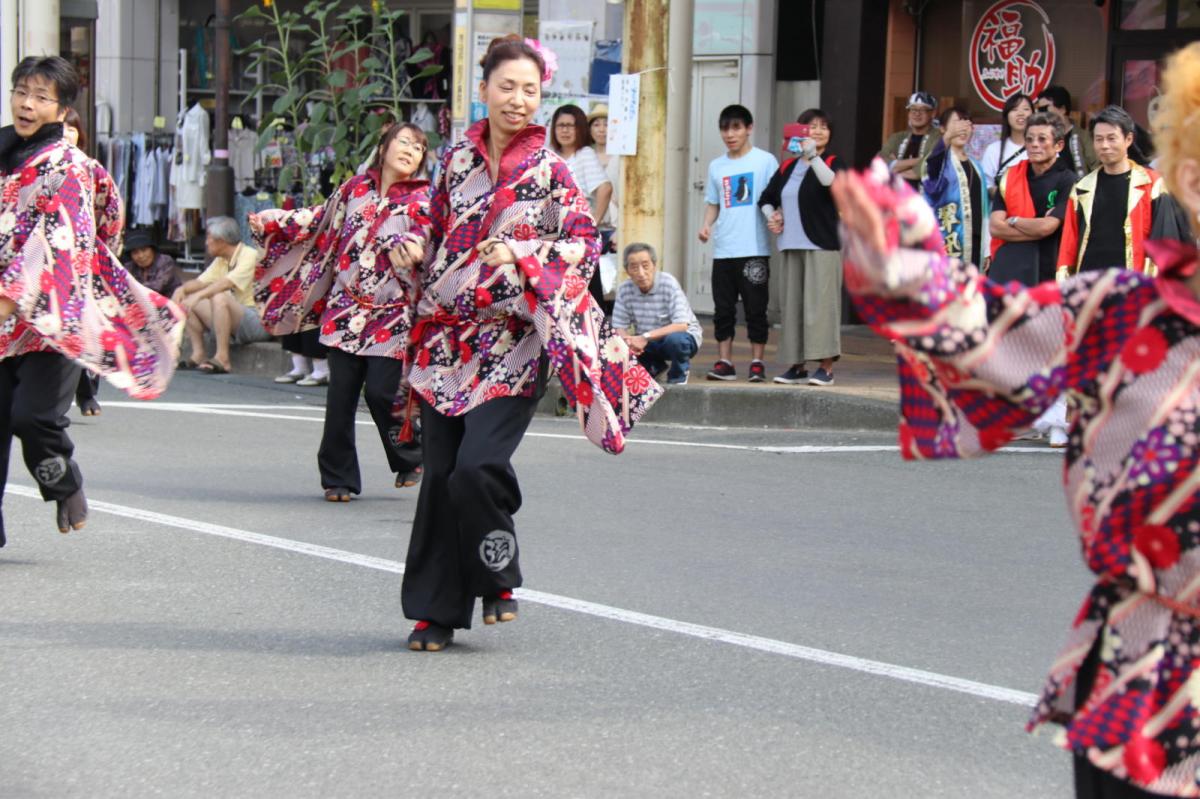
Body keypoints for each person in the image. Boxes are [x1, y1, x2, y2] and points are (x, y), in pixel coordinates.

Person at [832, 41, 1200, 798]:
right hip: (1144, 679)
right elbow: (981, 329)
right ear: (1190, 178)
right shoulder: (1124, 312)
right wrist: (902, 258)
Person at [388, 35, 662, 651]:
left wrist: (522, 251)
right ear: (483, 89)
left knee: (477, 467)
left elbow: (585, 245)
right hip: (446, 342)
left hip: (513, 344)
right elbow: (432, 226)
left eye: (530, 90)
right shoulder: (456, 160)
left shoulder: (551, 171)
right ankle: (435, 613)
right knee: (439, 478)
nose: (518, 99)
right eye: (507, 86)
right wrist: (411, 249)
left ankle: (497, 573)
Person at [0, 56, 183, 544]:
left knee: (32, 418)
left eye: (41, 97)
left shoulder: (70, 167)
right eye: (21, 92)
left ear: (62, 110)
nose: (27, 104)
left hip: (54, 319)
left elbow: (67, 241)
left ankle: (65, 484)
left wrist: (11, 296)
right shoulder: (1, 153)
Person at [253, 123, 430, 501]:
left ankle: (409, 456)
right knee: (340, 398)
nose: (409, 151)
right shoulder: (354, 190)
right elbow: (319, 220)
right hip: (346, 309)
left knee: (383, 393)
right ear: (383, 147)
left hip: (393, 314)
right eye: (403, 142)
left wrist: (414, 247)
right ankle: (338, 478)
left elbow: (427, 237)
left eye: (417, 148)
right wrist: (274, 220)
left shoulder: (423, 200)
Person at [757, 108, 846, 386]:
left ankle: (826, 368)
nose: (817, 131)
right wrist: (773, 215)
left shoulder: (832, 162)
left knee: (821, 308)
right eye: (811, 126)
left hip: (822, 245)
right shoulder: (787, 167)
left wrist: (813, 156)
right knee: (793, 307)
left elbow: (831, 184)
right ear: (800, 131)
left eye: (823, 127)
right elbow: (766, 198)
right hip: (791, 245)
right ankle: (797, 366)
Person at [1057, 105, 1186, 278]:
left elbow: (1164, 243)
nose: (1104, 145)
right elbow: (1069, 246)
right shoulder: (1082, 188)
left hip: (1133, 283)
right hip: (1089, 282)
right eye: (1099, 139)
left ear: (1128, 139)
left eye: (1111, 138)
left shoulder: (1152, 184)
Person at [699, 104, 779, 382]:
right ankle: (725, 362)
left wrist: (777, 217)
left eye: (736, 128)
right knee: (723, 309)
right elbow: (714, 202)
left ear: (749, 128)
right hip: (724, 249)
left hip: (754, 248)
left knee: (756, 308)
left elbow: (775, 197)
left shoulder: (765, 161)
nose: (730, 134)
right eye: (724, 129)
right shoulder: (716, 166)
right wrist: (706, 225)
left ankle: (757, 362)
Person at [172, 216, 268, 374]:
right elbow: (200, 282)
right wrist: (182, 290)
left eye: (209, 238)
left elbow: (227, 283)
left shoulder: (250, 255)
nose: (206, 242)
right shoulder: (221, 260)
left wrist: (199, 296)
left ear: (221, 240)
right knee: (187, 300)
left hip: (257, 320)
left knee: (219, 297)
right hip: (236, 317)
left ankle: (223, 358)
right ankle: (198, 353)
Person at [549, 103, 613, 309]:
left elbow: (605, 188)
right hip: (553, 234)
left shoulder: (584, 154)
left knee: (586, 294)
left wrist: (593, 223)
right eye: (561, 126)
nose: (565, 131)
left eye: (571, 126)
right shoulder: (550, 155)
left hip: (578, 235)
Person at [612, 242, 702, 385]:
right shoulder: (624, 289)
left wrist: (644, 337)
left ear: (654, 266)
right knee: (617, 345)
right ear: (627, 271)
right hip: (647, 341)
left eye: (645, 266)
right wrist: (628, 342)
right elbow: (619, 326)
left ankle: (678, 376)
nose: (641, 273)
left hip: (680, 337)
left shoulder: (668, 283)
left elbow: (681, 325)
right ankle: (655, 367)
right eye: (634, 267)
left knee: (676, 341)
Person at [922, 106, 990, 268]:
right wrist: (947, 137)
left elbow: (985, 209)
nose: (962, 129)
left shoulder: (976, 166)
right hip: (948, 239)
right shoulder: (938, 161)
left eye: (966, 124)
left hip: (976, 241)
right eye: (956, 123)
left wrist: (987, 248)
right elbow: (932, 167)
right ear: (942, 128)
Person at [1036, 85, 1099, 179]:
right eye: (1039, 110)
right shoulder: (1040, 140)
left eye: (1045, 109)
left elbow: (1097, 168)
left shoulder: (1083, 137)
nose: (1042, 114)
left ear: (1062, 109)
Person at [879, 91, 939, 189]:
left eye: (923, 110)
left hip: (924, 196)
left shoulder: (938, 137)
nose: (917, 114)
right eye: (913, 109)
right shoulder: (897, 138)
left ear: (933, 113)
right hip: (897, 195)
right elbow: (881, 165)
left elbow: (926, 169)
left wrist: (896, 166)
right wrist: (920, 160)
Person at [981, 93, 1034, 195]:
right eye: (1014, 109)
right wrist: (1008, 194)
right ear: (1007, 116)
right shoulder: (993, 150)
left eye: (1026, 109)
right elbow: (985, 185)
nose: (1020, 113)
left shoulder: (1043, 148)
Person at [122, 229, 181, 298]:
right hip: (143, 300)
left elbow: (157, 287)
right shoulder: (130, 266)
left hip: (171, 299)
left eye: (144, 250)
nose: (141, 256)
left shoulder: (165, 261)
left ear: (152, 250)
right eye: (135, 253)